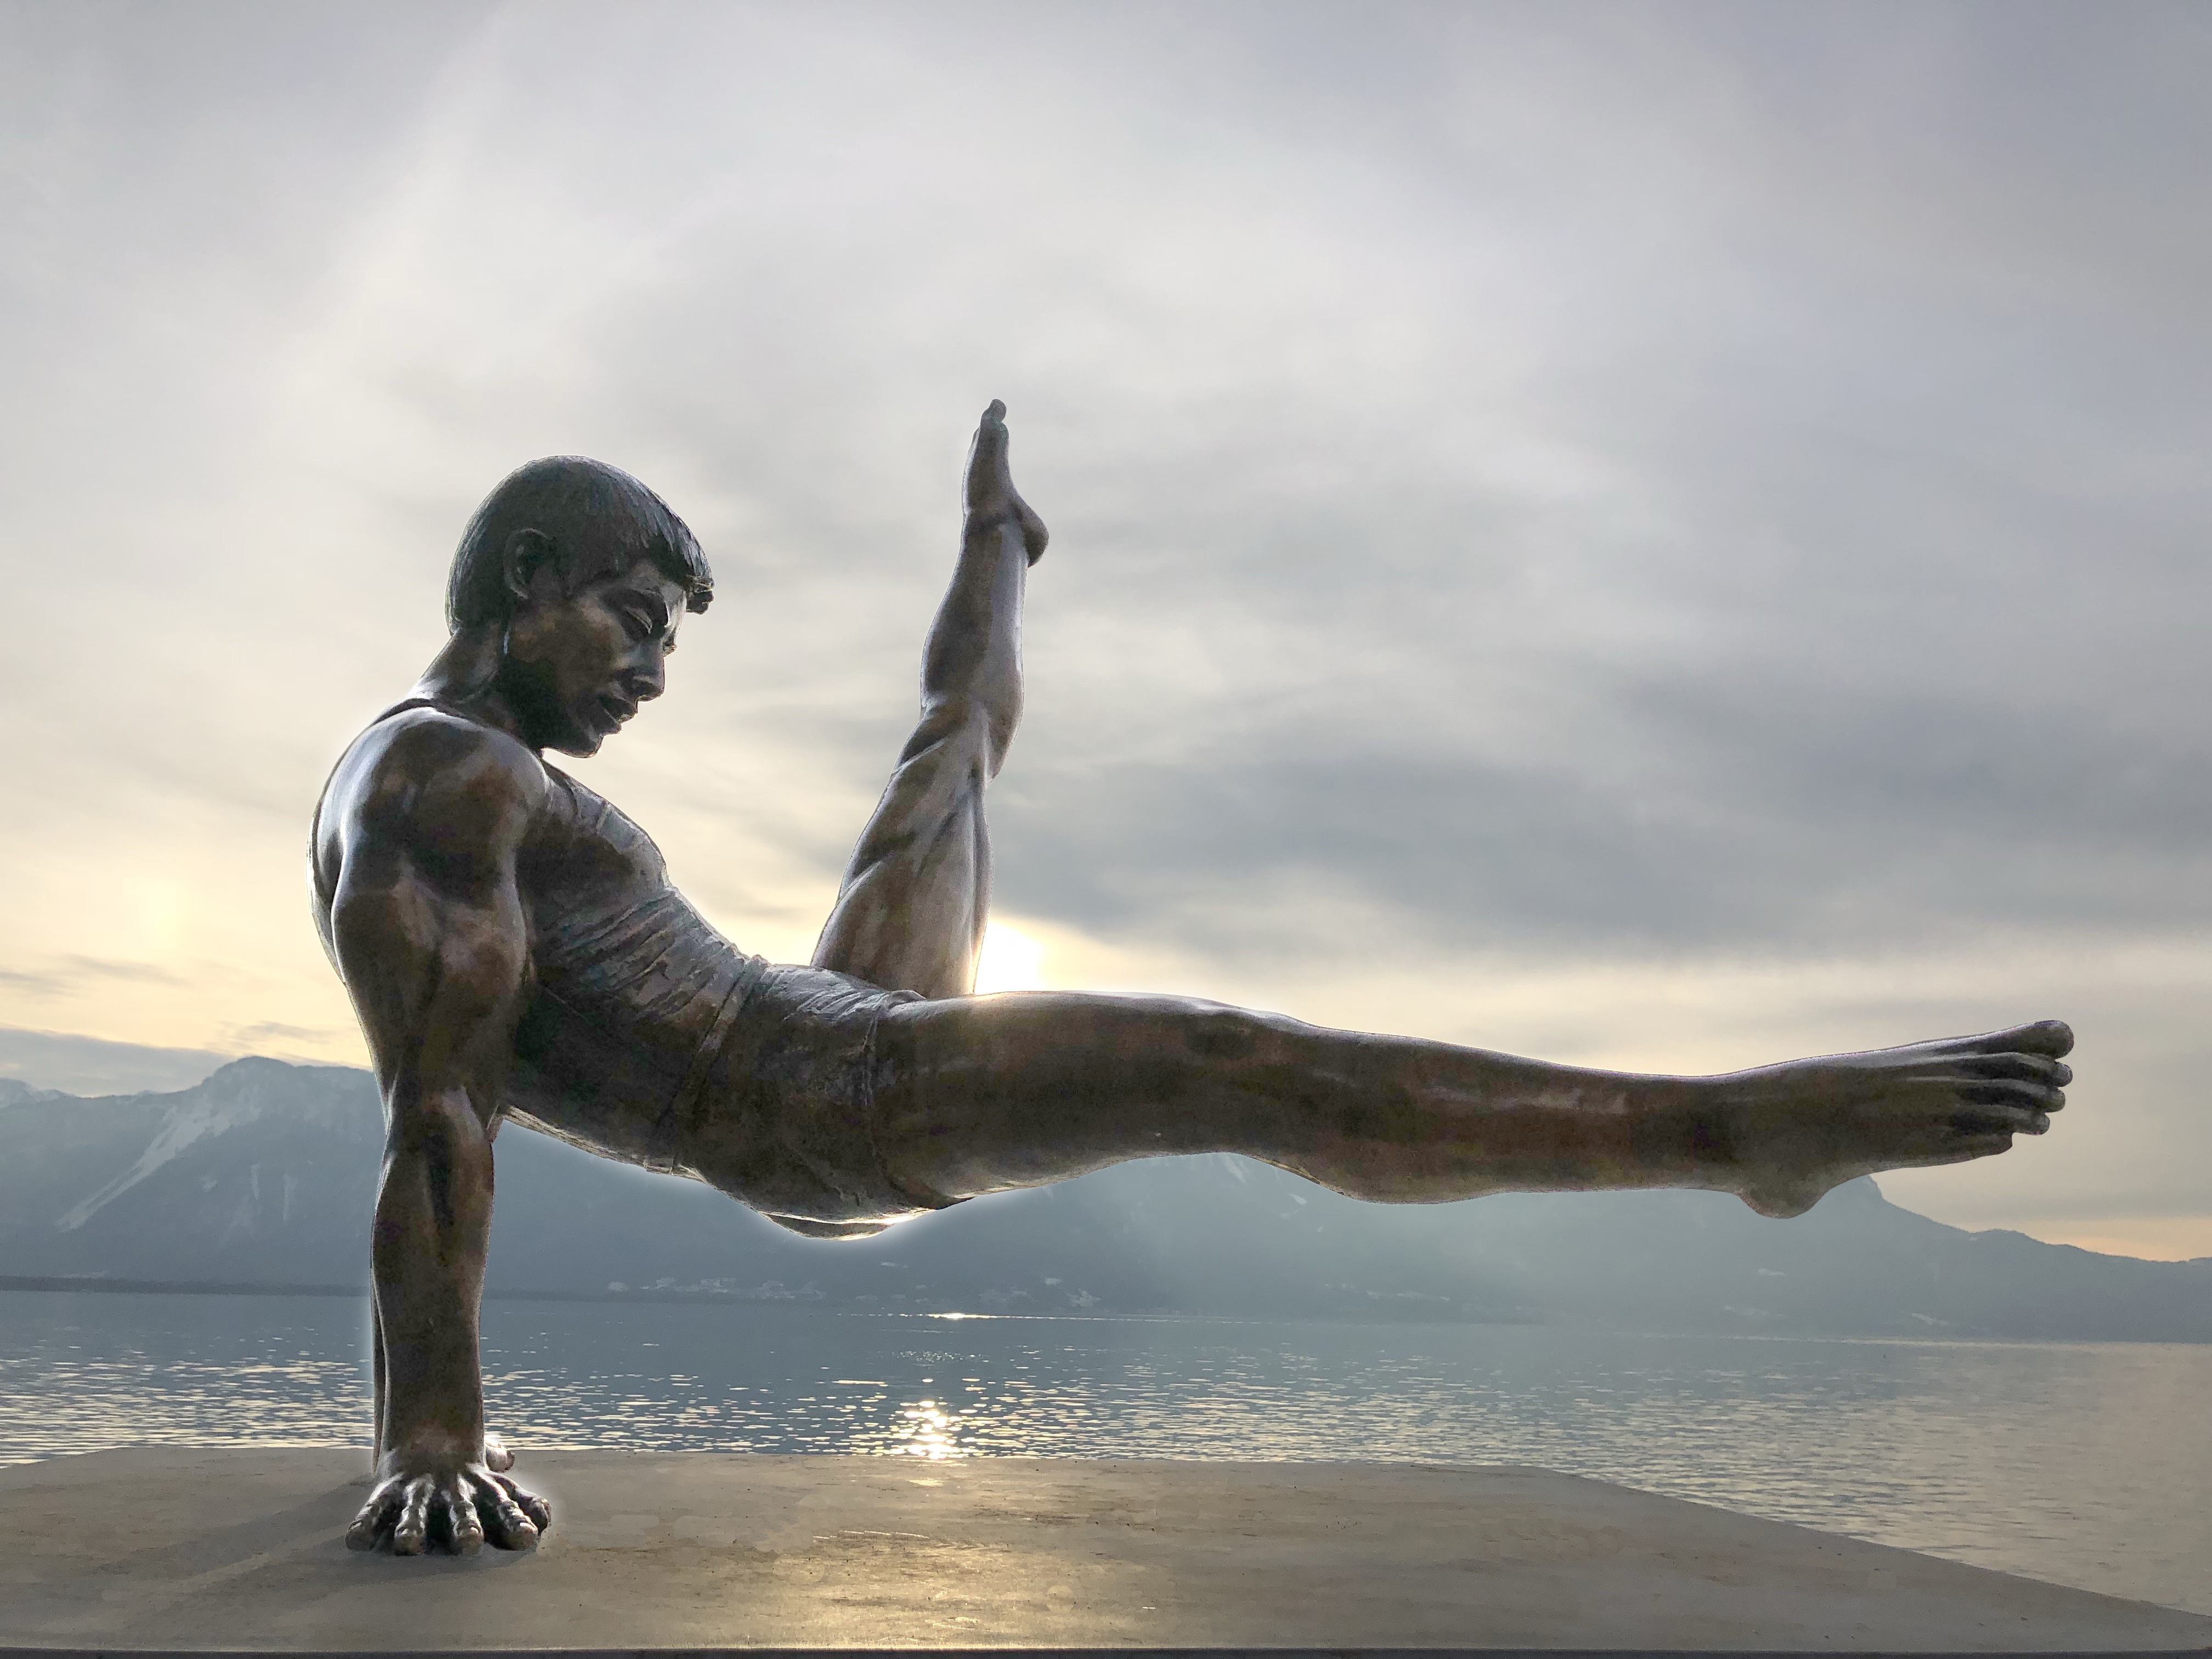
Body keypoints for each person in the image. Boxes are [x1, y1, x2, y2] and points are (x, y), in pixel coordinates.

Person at [312, 403, 2072, 1556]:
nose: (653, 670)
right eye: (633, 617)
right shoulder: (439, 781)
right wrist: (434, 1443)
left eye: (671, 635)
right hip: (809, 1098)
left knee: (951, 760)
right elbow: (444, 1117)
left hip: (824, 1018)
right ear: (525, 580)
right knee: (1222, 1056)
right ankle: (1738, 1140)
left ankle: (1007, 542)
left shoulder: (464, 778)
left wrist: (986, 545)